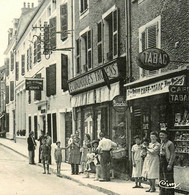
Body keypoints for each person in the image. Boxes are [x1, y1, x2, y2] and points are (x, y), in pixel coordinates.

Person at [159, 130, 175, 195]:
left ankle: (169, 193)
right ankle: (162, 192)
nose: (161, 136)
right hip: (161, 160)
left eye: (162, 135)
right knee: (162, 177)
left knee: (169, 178)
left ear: (166, 136)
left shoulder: (170, 143)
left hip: (167, 161)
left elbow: (172, 154)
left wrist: (170, 164)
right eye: (160, 135)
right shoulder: (162, 143)